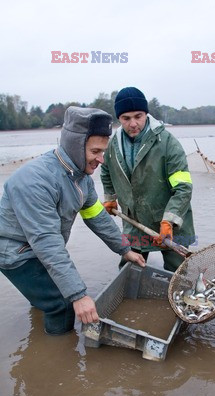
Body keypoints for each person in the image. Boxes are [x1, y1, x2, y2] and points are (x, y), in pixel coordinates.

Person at [0, 106, 145, 335]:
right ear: (75, 146)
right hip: (15, 252)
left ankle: (40, 319)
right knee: (63, 305)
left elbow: (96, 215)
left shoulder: (81, 176)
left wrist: (124, 249)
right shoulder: (34, 181)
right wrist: (78, 296)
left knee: (51, 294)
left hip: (37, 247)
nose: (102, 160)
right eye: (96, 151)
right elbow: (47, 242)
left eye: (104, 151)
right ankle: (56, 356)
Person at [101, 87, 195, 272]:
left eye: (138, 116)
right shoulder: (112, 145)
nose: (133, 123)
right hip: (133, 222)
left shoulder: (168, 143)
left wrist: (169, 220)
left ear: (146, 114)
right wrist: (110, 197)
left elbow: (183, 187)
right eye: (126, 118)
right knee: (129, 270)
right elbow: (106, 171)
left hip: (169, 224)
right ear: (119, 119)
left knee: (177, 274)